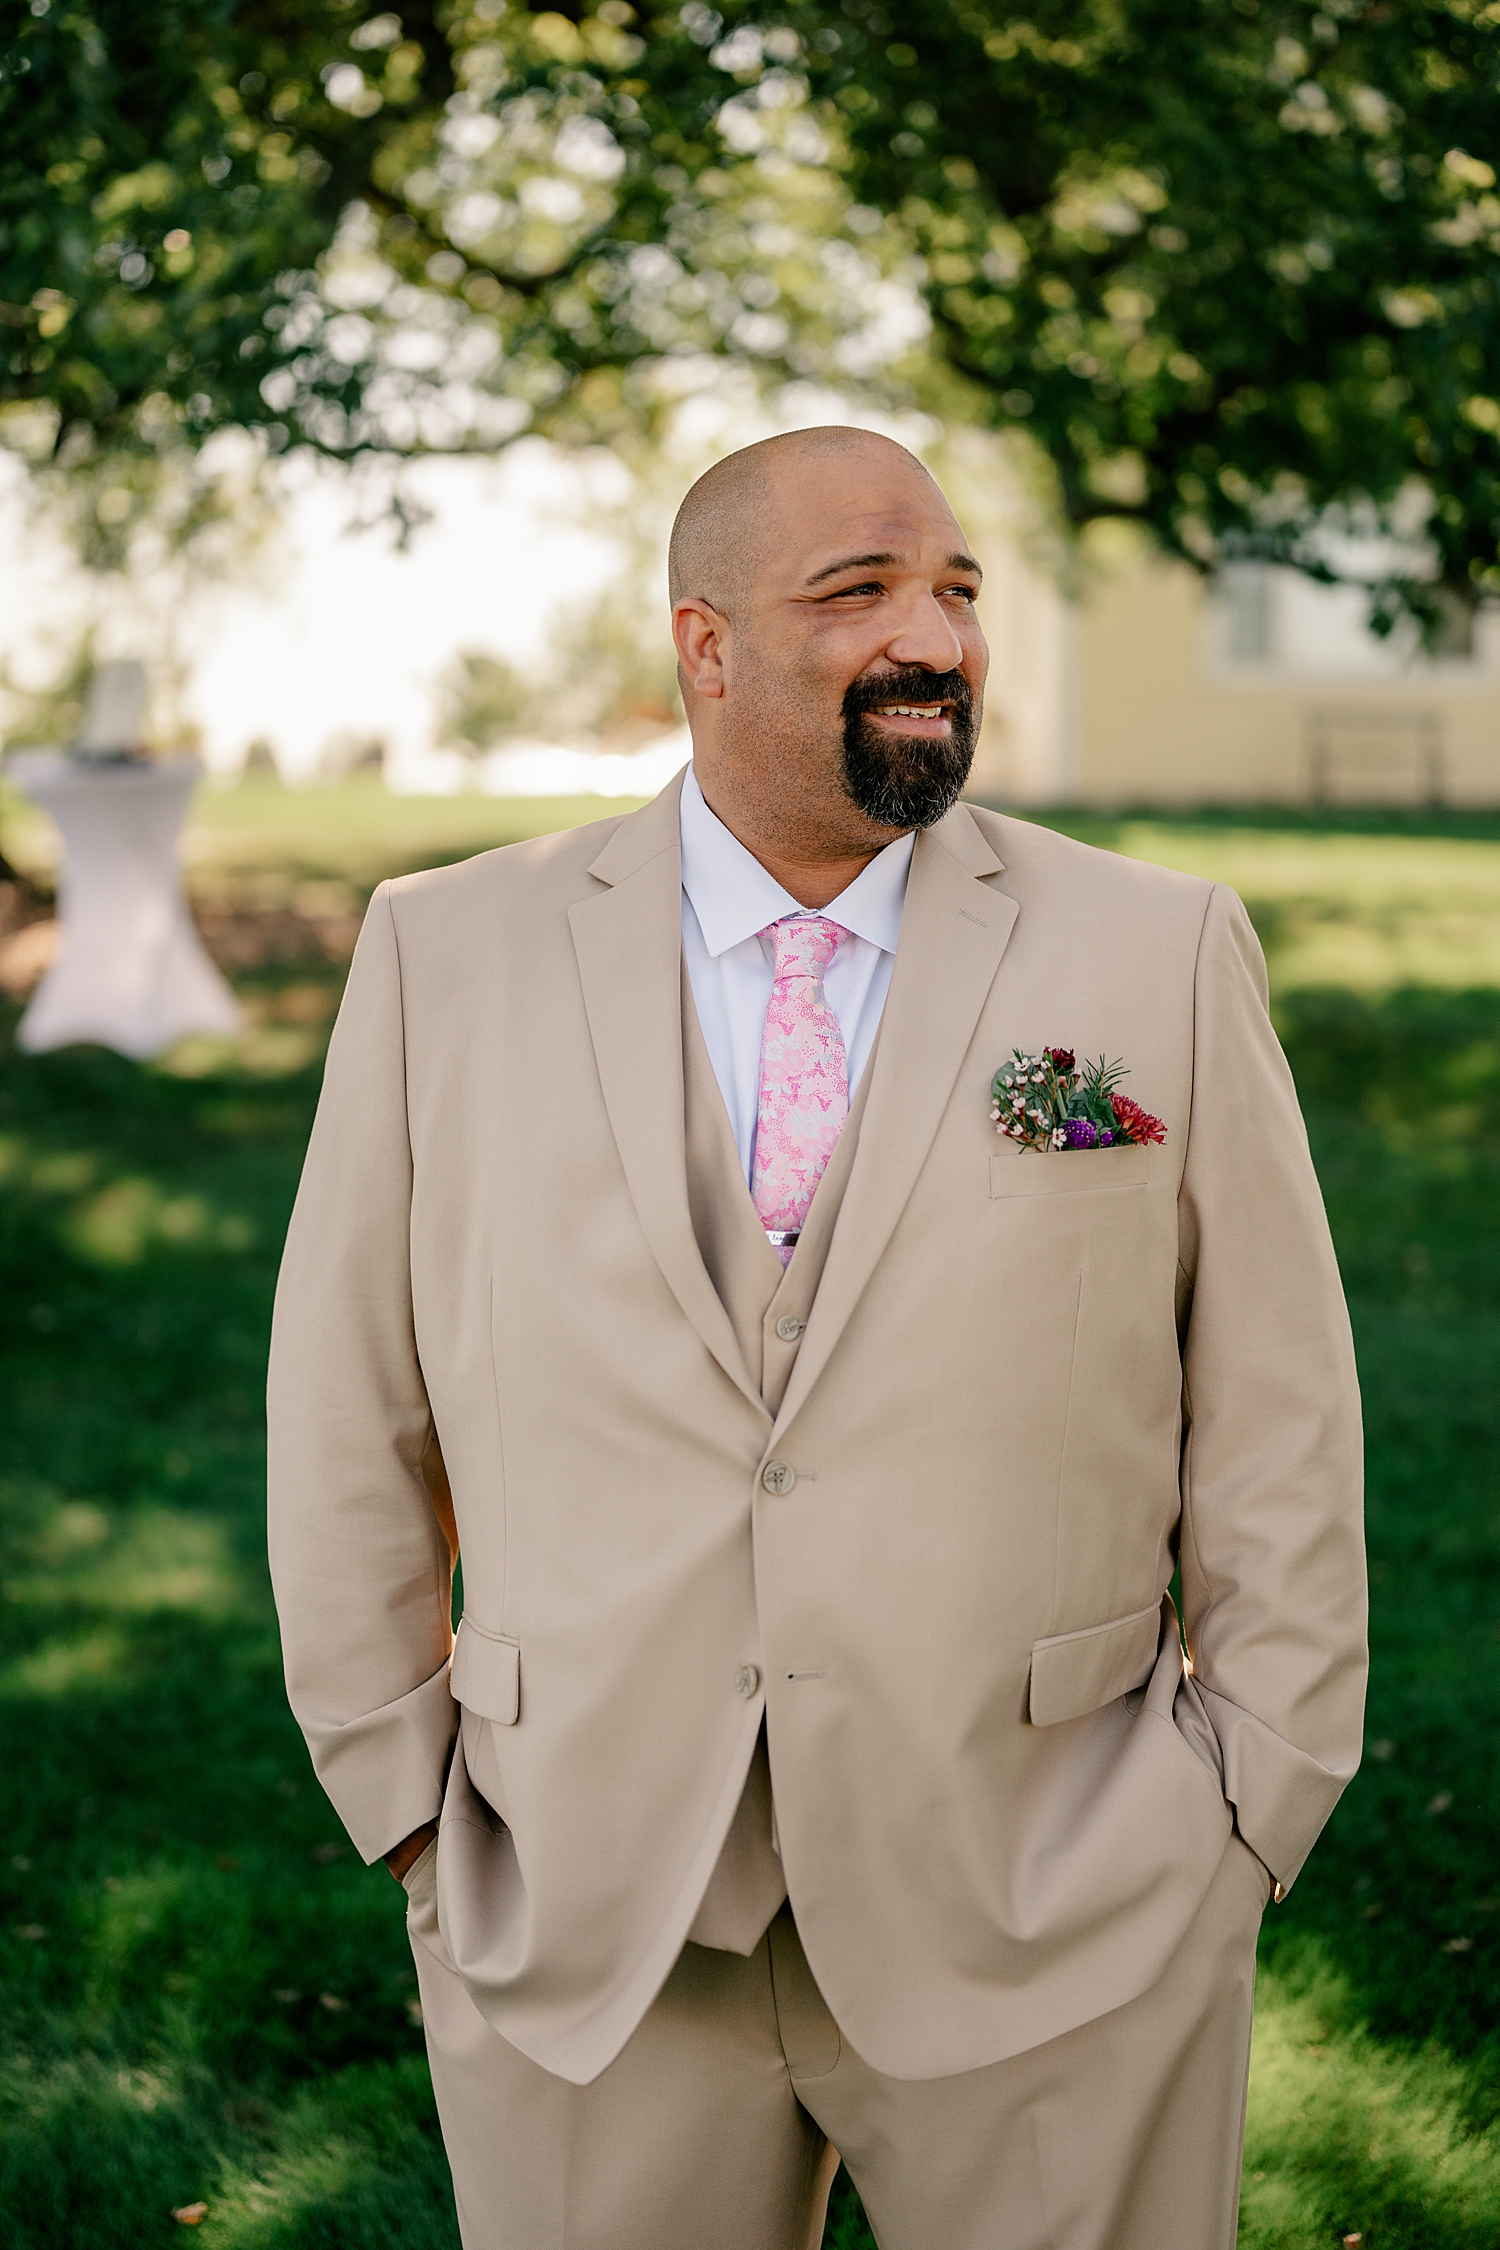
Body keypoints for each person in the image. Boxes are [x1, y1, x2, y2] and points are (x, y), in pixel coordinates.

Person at [267, 426, 1366, 2250]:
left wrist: (1252, 1803)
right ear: (705, 646)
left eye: (954, 589)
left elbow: (1277, 1411)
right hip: (584, 1897)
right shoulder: (442, 953)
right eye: (856, 593)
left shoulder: (1156, 950)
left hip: (1059, 1887)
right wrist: (401, 1789)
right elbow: (344, 1399)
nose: (928, 634)